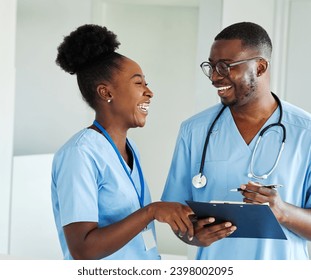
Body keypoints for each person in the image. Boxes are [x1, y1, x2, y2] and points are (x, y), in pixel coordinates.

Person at [161, 21, 311, 260]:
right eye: (210, 67)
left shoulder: (306, 132)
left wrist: (283, 212)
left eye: (225, 66)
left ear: (260, 67)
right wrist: (194, 236)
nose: (214, 77)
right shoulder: (194, 130)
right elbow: (177, 215)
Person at [51, 24, 194, 260]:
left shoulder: (130, 149)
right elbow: (83, 250)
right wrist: (151, 211)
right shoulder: (80, 154)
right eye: (139, 83)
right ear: (106, 93)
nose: (149, 92)